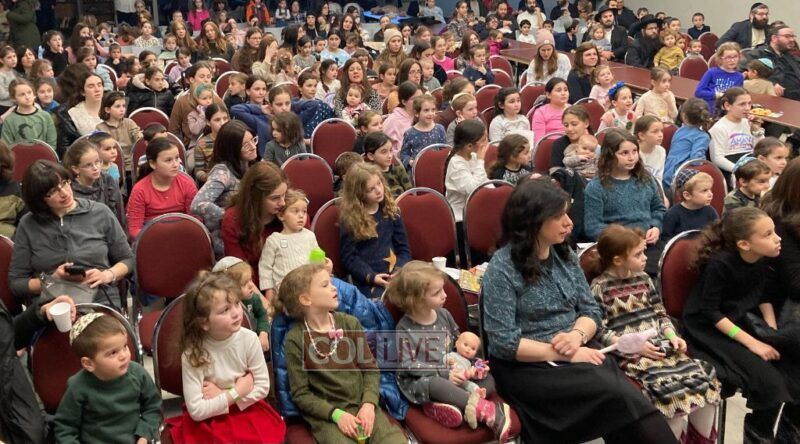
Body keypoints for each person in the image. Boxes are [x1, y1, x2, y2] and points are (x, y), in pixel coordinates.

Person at [481, 177, 676, 443]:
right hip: (529, 367)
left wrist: (576, 336)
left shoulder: (564, 254)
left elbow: (590, 310)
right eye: (558, 216)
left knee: (625, 402)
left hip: (577, 350)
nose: (569, 223)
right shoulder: (502, 269)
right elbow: (503, 343)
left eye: (567, 213)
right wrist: (567, 354)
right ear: (533, 222)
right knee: (619, 398)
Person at [588, 224, 720, 441]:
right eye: (638, 254)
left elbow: (660, 314)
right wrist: (633, 346)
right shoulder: (599, 288)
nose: (645, 258)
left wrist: (672, 336)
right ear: (618, 260)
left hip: (661, 348)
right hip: (633, 355)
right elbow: (599, 330)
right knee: (672, 396)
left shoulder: (644, 279)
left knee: (705, 380)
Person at [683, 206, 800, 443]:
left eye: (774, 232)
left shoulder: (761, 258)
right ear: (744, 244)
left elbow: (763, 295)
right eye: (768, 234)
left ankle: (788, 435)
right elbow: (711, 312)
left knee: (794, 367)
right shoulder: (720, 264)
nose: (778, 238)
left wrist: (771, 332)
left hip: (739, 320)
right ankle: (758, 435)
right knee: (771, 383)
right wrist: (754, 343)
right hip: (710, 328)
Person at [277, 263, 407, 443]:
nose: (334, 288)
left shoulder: (350, 323)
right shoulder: (295, 339)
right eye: (325, 285)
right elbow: (301, 394)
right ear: (306, 299)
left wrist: (369, 404)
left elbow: (370, 369)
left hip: (363, 406)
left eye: (331, 283)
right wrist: (337, 415)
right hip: (328, 417)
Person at [387, 261, 511, 438]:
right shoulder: (404, 329)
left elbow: (457, 343)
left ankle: (450, 405)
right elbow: (409, 366)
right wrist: (445, 373)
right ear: (416, 299)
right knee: (438, 385)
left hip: (455, 372)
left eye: (443, 289)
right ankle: (488, 412)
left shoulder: (444, 314)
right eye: (437, 293)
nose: (445, 295)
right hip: (423, 380)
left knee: (488, 380)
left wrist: (472, 365)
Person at [166, 272, 286, 442]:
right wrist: (236, 392)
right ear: (204, 322)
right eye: (225, 310)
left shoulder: (250, 339)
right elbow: (197, 410)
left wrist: (223, 393)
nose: (236, 313)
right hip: (210, 419)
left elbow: (262, 388)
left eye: (237, 303)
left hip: (247, 409)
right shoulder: (192, 352)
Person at [9, 160, 133, 307]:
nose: (64, 193)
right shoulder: (28, 224)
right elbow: (17, 283)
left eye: (64, 183)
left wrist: (107, 275)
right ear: (39, 200)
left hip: (99, 296)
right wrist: (51, 280)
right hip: (52, 302)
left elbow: (128, 259)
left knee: (98, 322)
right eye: (53, 192)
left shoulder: (100, 212)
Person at [54, 313, 161, 443]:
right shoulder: (78, 387)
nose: (124, 355)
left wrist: (144, 436)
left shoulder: (137, 373)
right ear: (89, 364)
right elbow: (64, 429)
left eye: (125, 346)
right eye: (113, 353)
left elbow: (153, 408)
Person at [584, 128, 666, 258]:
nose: (631, 158)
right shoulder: (596, 187)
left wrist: (656, 227)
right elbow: (593, 227)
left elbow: (658, 209)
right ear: (610, 155)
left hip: (649, 243)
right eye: (624, 153)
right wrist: (626, 240)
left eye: (635, 151)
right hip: (619, 249)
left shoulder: (646, 178)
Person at [339, 163, 410, 298]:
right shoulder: (350, 219)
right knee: (388, 300)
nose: (378, 190)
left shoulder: (391, 210)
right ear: (359, 194)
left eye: (379, 183)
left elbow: (403, 248)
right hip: (368, 279)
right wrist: (372, 277)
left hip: (395, 273)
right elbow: (349, 258)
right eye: (371, 189)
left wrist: (399, 269)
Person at [192, 121, 258, 256]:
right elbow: (197, 204)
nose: (253, 147)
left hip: (249, 232)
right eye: (246, 145)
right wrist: (232, 217)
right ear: (232, 149)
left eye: (253, 140)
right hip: (228, 239)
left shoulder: (250, 165)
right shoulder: (222, 172)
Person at [222, 162, 288, 291]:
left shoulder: (292, 211)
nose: (283, 202)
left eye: (284, 194)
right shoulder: (233, 220)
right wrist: (264, 301)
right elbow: (240, 274)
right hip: (251, 288)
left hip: (290, 282)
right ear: (255, 197)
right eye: (274, 198)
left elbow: (307, 248)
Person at [127, 138, 198, 239]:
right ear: (152, 164)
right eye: (168, 160)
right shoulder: (140, 189)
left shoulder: (187, 184)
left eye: (177, 158)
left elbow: (195, 220)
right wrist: (157, 242)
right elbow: (135, 228)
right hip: (151, 238)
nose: (176, 164)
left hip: (182, 235)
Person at [258, 188, 321, 293]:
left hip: (310, 286)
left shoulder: (309, 235)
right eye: (295, 211)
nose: (301, 215)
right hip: (285, 292)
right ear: (281, 215)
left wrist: (324, 265)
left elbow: (317, 257)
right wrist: (268, 291)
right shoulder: (274, 240)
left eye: (304, 211)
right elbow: (265, 268)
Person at [64, 139, 126, 230]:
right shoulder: (68, 189)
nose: (96, 168)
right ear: (76, 169)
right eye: (88, 165)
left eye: (97, 162)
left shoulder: (107, 180)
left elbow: (119, 214)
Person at [445, 119, 489, 248]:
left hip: (477, 211)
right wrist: (480, 161)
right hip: (461, 218)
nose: (487, 143)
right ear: (469, 146)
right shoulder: (456, 164)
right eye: (483, 140)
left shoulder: (473, 156)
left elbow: (484, 181)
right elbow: (473, 189)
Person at [709, 87, 764, 176]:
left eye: (749, 103)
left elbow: (762, 150)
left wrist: (756, 130)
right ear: (727, 106)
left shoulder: (748, 123)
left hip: (751, 165)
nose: (747, 108)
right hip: (732, 171)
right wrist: (740, 170)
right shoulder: (719, 128)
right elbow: (717, 158)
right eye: (742, 104)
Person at [663, 98, 712, 190]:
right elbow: (696, 160)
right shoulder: (702, 136)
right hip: (681, 177)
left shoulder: (680, 130)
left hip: (667, 172)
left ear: (684, 116)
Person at [661, 170, 718, 239]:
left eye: (710, 189)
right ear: (687, 195)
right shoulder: (672, 214)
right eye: (704, 190)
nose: (711, 194)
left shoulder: (710, 211)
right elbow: (664, 239)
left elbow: (717, 234)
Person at [1, 79, 56, 148]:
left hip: (44, 154)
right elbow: (7, 146)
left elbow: (52, 142)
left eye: (29, 92)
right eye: (22, 94)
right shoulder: (9, 121)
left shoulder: (45, 116)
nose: (27, 97)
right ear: (14, 98)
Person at [695, 42, 745, 113]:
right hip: (709, 110)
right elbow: (698, 92)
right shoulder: (711, 72)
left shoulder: (739, 77)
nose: (732, 60)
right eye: (728, 57)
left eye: (735, 57)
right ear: (720, 58)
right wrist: (717, 95)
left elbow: (737, 97)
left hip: (727, 112)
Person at [400, 95, 446, 170]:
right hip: (418, 169)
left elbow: (444, 149)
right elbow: (404, 154)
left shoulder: (440, 129)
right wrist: (411, 162)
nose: (430, 113)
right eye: (426, 110)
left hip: (437, 168)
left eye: (433, 110)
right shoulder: (410, 133)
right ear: (416, 113)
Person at [364, 132, 411, 198]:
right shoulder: (369, 175)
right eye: (384, 152)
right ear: (371, 156)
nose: (390, 156)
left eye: (391, 150)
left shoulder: (398, 168)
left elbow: (409, 191)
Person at [384, 81, 422, 157]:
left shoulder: (423, 116)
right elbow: (384, 148)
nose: (420, 102)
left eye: (421, 98)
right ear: (404, 102)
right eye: (415, 99)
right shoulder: (393, 120)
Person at [531, 77, 569, 145]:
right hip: (550, 146)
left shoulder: (573, 109)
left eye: (566, 90)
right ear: (548, 95)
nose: (563, 93)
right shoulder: (540, 112)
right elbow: (539, 141)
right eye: (558, 90)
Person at [633, 116, 666, 183]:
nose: (660, 135)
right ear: (641, 136)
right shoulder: (633, 152)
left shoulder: (661, 151)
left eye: (661, 131)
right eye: (655, 131)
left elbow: (658, 178)